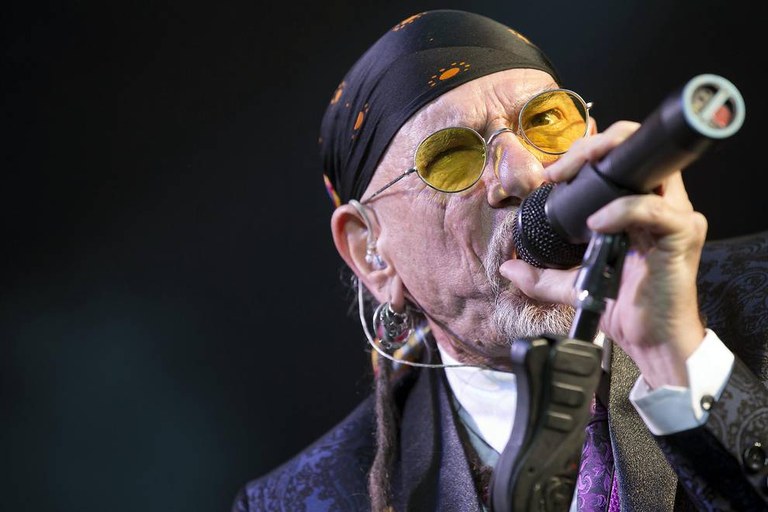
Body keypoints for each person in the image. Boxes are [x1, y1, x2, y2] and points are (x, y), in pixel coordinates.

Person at [231, 9, 768, 511]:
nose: (524, 174)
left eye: (547, 120)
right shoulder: (302, 498)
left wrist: (676, 356)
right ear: (371, 254)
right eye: (450, 155)